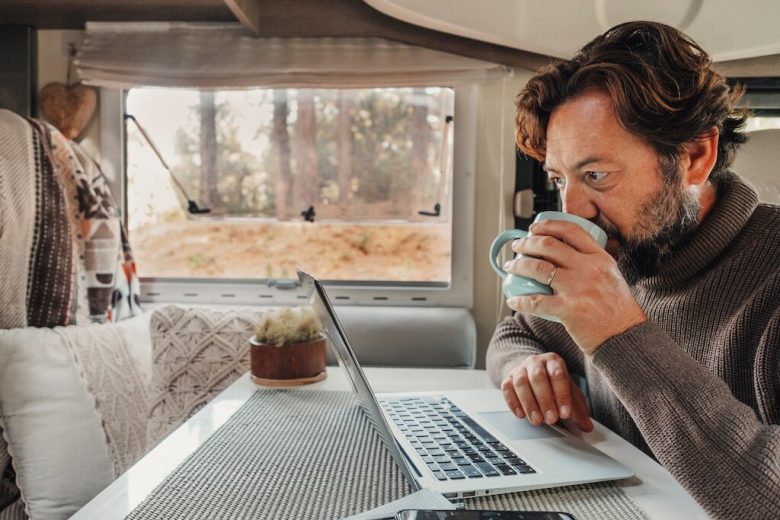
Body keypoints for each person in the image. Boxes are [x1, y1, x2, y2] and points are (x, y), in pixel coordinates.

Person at [486, 21, 779, 519]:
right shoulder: (629, 251)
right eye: (561, 179)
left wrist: (617, 333)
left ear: (694, 156)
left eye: (597, 175)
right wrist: (525, 368)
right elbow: (515, 332)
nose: (573, 209)